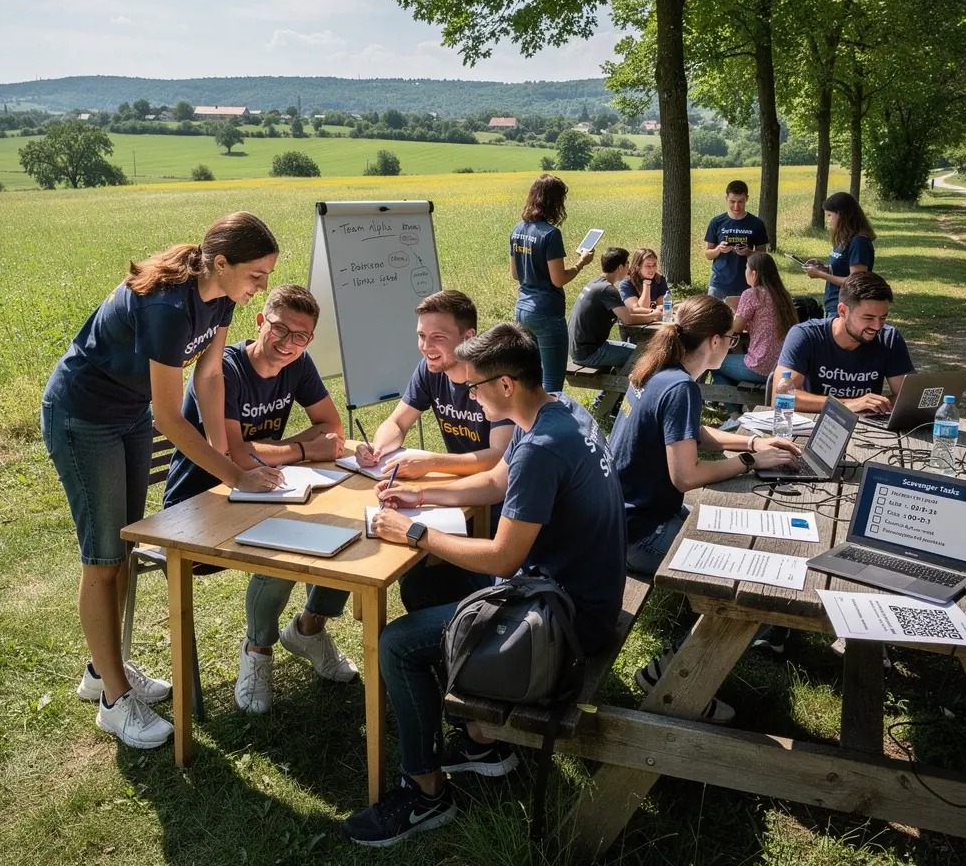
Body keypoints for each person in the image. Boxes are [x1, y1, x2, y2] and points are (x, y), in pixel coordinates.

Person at [341, 322, 626, 848]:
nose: (469, 397)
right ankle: (482, 741)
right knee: (424, 591)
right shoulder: (552, 408)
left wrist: (416, 532)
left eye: (474, 387)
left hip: (566, 623)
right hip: (583, 594)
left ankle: (425, 792)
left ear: (505, 385)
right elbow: (499, 481)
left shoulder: (542, 445)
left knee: (397, 645)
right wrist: (421, 497)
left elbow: (502, 556)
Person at [41, 213, 285, 749]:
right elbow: (170, 420)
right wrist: (237, 475)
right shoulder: (168, 307)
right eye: (258, 275)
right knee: (103, 559)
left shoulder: (221, 296)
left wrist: (227, 459)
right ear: (221, 264)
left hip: (125, 415)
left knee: (122, 550)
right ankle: (112, 701)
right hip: (83, 416)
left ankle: (103, 670)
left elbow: (212, 374)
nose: (262, 287)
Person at [162, 284, 357, 712]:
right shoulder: (224, 370)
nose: (287, 343)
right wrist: (300, 449)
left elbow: (332, 429)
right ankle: (258, 653)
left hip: (265, 491)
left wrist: (273, 448)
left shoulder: (299, 364)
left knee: (348, 530)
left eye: (300, 336)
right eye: (279, 329)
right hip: (200, 504)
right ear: (259, 321)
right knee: (287, 549)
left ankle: (308, 629)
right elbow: (234, 454)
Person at [607, 295, 800, 721]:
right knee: (754, 585)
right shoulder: (680, 387)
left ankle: (718, 643)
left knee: (745, 543)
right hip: (640, 534)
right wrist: (751, 462)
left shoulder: (660, 371)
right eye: (732, 341)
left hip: (623, 520)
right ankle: (675, 677)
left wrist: (751, 441)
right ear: (714, 341)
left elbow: (691, 432)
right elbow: (686, 476)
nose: (732, 348)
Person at [354, 290, 514, 610]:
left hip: (500, 506)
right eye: (421, 336)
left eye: (438, 337)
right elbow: (398, 422)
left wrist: (431, 462)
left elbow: (499, 459)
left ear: (468, 337)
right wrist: (377, 447)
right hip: (459, 495)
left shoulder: (493, 376)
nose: (426, 347)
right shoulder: (430, 369)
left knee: (416, 564)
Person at [773, 271, 913, 413]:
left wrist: (877, 403)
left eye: (883, 317)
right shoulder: (805, 335)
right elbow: (780, 398)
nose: (877, 326)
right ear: (842, 311)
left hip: (868, 427)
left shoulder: (888, 338)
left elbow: (912, 396)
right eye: (868, 318)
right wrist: (848, 404)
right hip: (815, 426)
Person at [509, 174, 594, 391]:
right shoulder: (551, 234)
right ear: (553, 202)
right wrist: (581, 263)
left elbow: (516, 274)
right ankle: (550, 422)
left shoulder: (517, 230)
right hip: (546, 311)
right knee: (552, 383)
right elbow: (558, 279)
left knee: (531, 378)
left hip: (522, 309)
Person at [711, 252, 798, 424]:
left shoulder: (752, 294)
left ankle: (735, 417)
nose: (745, 272)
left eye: (746, 268)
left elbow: (736, 328)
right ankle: (740, 408)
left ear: (754, 274)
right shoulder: (783, 296)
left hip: (761, 365)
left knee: (715, 362)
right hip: (783, 367)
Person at [568, 246, 645, 369]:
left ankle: (618, 387)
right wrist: (654, 317)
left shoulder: (595, 283)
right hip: (589, 353)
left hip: (579, 349)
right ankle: (630, 387)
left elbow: (626, 312)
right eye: (627, 263)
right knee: (644, 357)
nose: (629, 267)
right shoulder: (607, 289)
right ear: (620, 267)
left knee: (636, 351)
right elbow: (628, 319)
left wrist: (650, 314)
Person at [802, 191, 876, 317]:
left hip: (846, 307)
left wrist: (820, 275)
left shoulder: (859, 243)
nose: (828, 221)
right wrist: (824, 268)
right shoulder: (844, 239)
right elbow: (843, 268)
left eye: (830, 216)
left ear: (842, 215)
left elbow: (855, 280)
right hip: (833, 305)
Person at [704, 179, 768, 300]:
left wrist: (749, 252)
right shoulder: (716, 222)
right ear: (726, 198)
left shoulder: (757, 223)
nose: (736, 206)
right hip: (719, 284)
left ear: (747, 199)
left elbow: (763, 257)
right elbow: (708, 254)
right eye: (732, 201)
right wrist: (719, 249)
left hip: (747, 283)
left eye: (741, 201)